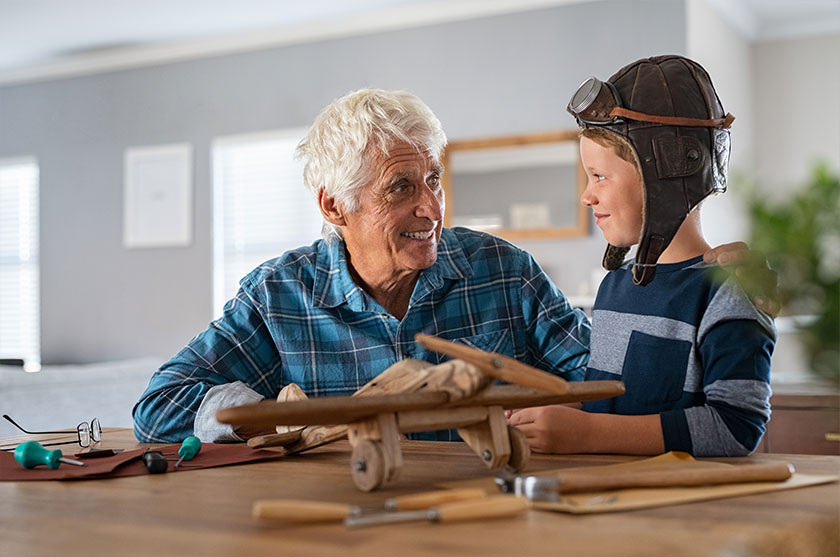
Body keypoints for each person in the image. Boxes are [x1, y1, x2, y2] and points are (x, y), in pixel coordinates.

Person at [132, 88, 766, 444]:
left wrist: (703, 294)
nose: (431, 207)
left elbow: (612, 387)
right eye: (400, 187)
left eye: (434, 179)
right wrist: (271, 417)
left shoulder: (505, 271)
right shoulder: (278, 295)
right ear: (334, 205)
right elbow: (159, 403)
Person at [507, 55, 776, 457]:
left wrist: (586, 434)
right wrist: (556, 414)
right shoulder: (615, 286)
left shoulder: (727, 291)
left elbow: (736, 427)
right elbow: (614, 408)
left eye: (599, 176)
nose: (586, 195)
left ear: (664, 174)